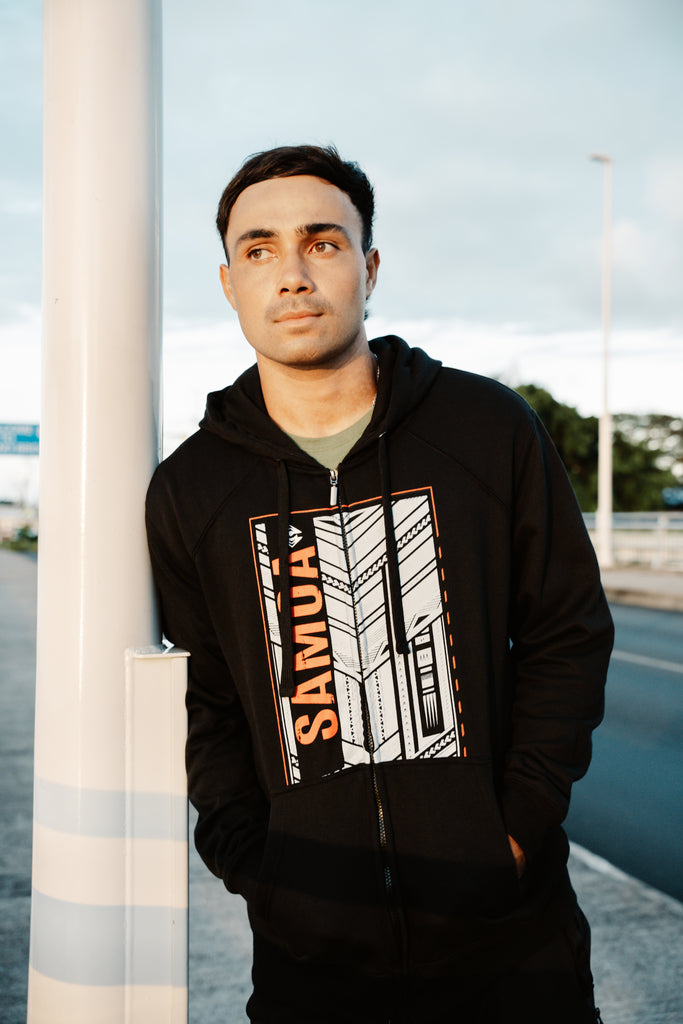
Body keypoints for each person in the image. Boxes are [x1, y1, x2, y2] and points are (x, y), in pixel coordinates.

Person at [145, 144, 613, 1023]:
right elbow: (207, 695)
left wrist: (517, 824)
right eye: (259, 249)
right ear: (229, 283)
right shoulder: (193, 489)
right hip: (310, 960)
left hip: (512, 947)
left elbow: (566, 631)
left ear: (367, 268)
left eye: (321, 243)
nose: (292, 273)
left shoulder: (484, 429)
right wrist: (255, 864)